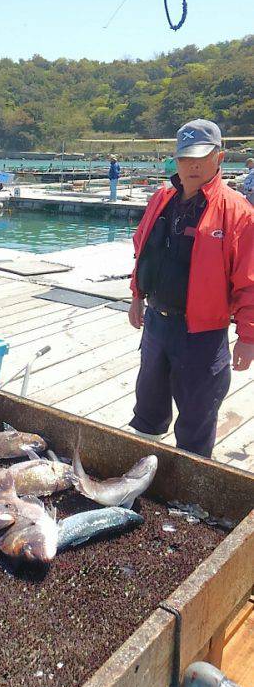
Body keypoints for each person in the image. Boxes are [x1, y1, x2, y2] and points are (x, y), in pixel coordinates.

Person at [128, 119, 253, 458]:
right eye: (186, 157)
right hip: (156, 323)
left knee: (196, 423)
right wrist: (137, 296)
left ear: (220, 157)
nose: (193, 165)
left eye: (202, 156)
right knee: (147, 411)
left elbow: (249, 281)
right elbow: (143, 249)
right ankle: (142, 473)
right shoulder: (162, 198)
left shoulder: (237, 212)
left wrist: (247, 336)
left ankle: (190, 493)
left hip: (203, 334)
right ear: (176, 160)